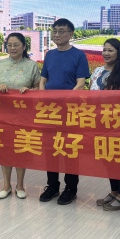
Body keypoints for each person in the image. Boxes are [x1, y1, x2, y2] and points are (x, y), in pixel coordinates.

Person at [39, 18, 90, 205]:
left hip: (70, 111)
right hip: (50, 111)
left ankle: (71, 188)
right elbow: (43, 80)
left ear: (71, 34)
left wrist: (64, 102)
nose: (57, 35)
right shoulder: (50, 55)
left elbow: (80, 84)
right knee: (50, 149)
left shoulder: (79, 55)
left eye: (61, 31)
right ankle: (52, 185)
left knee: (69, 149)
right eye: (55, 31)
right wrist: (44, 98)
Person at [0, 32, 41, 199]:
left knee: (21, 148)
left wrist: (29, 91)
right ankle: (6, 185)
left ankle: (20, 185)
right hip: (2, 114)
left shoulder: (32, 65)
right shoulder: (0, 64)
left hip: (23, 114)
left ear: (24, 46)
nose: (12, 48)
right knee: (4, 149)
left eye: (16, 45)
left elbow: (38, 87)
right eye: (9, 45)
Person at [91, 39, 120, 211]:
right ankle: (114, 191)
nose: (106, 53)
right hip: (98, 122)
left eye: (110, 50)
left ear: (118, 53)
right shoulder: (97, 71)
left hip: (116, 124)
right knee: (108, 158)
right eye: (104, 50)